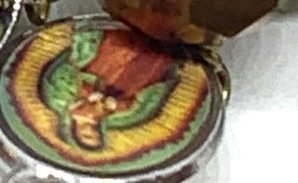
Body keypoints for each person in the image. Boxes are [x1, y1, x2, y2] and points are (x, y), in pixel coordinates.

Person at [36, 22, 189, 155]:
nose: (91, 130)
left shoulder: (59, 101)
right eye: (96, 135)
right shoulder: (117, 120)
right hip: (141, 69)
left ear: (75, 132)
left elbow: (63, 73)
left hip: (104, 60)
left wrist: (87, 92)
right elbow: (143, 105)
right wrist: (117, 105)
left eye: (86, 135)